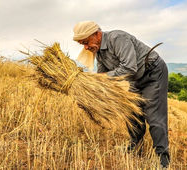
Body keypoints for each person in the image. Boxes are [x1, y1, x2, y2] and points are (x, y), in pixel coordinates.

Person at [73, 21, 170, 168]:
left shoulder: (117, 38)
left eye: (86, 42)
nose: (86, 47)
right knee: (132, 113)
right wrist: (89, 90)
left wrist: (102, 77)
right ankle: (135, 145)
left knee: (154, 116)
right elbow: (102, 75)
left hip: (152, 73)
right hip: (135, 78)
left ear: (96, 34)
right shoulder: (99, 52)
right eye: (82, 44)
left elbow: (129, 67)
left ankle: (163, 159)